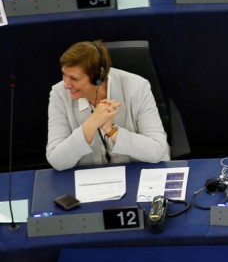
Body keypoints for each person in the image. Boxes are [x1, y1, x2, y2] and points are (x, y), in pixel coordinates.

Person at [46, 40, 170, 170]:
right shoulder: (59, 94)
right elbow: (56, 160)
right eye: (64, 75)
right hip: (90, 179)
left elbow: (157, 150)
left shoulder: (137, 87)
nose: (66, 84)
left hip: (139, 173)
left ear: (98, 78)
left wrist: (112, 131)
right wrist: (90, 125)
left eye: (74, 79)